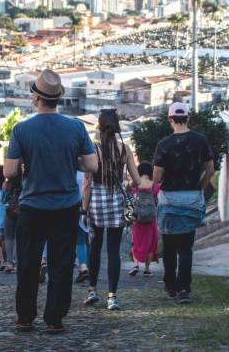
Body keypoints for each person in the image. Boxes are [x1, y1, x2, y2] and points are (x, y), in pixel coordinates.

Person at [5, 69, 98, 334]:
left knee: (28, 263)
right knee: (61, 263)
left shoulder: (22, 130)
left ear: (36, 98)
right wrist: (71, 160)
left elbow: (10, 172)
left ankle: (25, 317)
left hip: (32, 207)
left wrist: (26, 162)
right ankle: (55, 318)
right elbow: (91, 164)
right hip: (65, 206)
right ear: (58, 99)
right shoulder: (76, 127)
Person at [153, 103, 214, 305]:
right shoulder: (201, 141)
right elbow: (210, 169)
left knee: (169, 246)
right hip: (192, 198)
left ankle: (170, 285)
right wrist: (200, 187)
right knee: (186, 247)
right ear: (187, 118)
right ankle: (184, 290)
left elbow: (156, 177)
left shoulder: (163, 144)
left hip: (169, 199)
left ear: (170, 120)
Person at [82, 108, 140, 310]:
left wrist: (83, 210)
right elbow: (137, 181)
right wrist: (127, 186)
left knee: (95, 247)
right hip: (116, 201)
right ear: (116, 127)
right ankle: (112, 296)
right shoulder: (124, 150)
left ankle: (92, 290)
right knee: (114, 249)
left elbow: (87, 183)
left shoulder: (94, 150)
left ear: (99, 126)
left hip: (96, 202)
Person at [129, 161, 160, 277]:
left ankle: (135, 265)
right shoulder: (155, 185)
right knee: (151, 244)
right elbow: (158, 200)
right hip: (151, 220)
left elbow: (130, 195)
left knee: (136, 242)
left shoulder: (135, 185)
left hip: (138, 219)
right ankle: (147, 269)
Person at [2, 174, 21, 273]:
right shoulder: (24, 182)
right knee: (19, 238)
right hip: (22, 212)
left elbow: (3, 200)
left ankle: (9, 263)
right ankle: (18, 263)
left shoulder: (7, 184)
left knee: (9, 238)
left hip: (9, 212)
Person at [74, 170, 89, 284]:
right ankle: (88, 267)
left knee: (79, 241)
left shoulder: (71, 171)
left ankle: (83, 267)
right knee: (87, 240)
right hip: (90, 206)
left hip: (75, 207)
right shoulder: (87, 171)